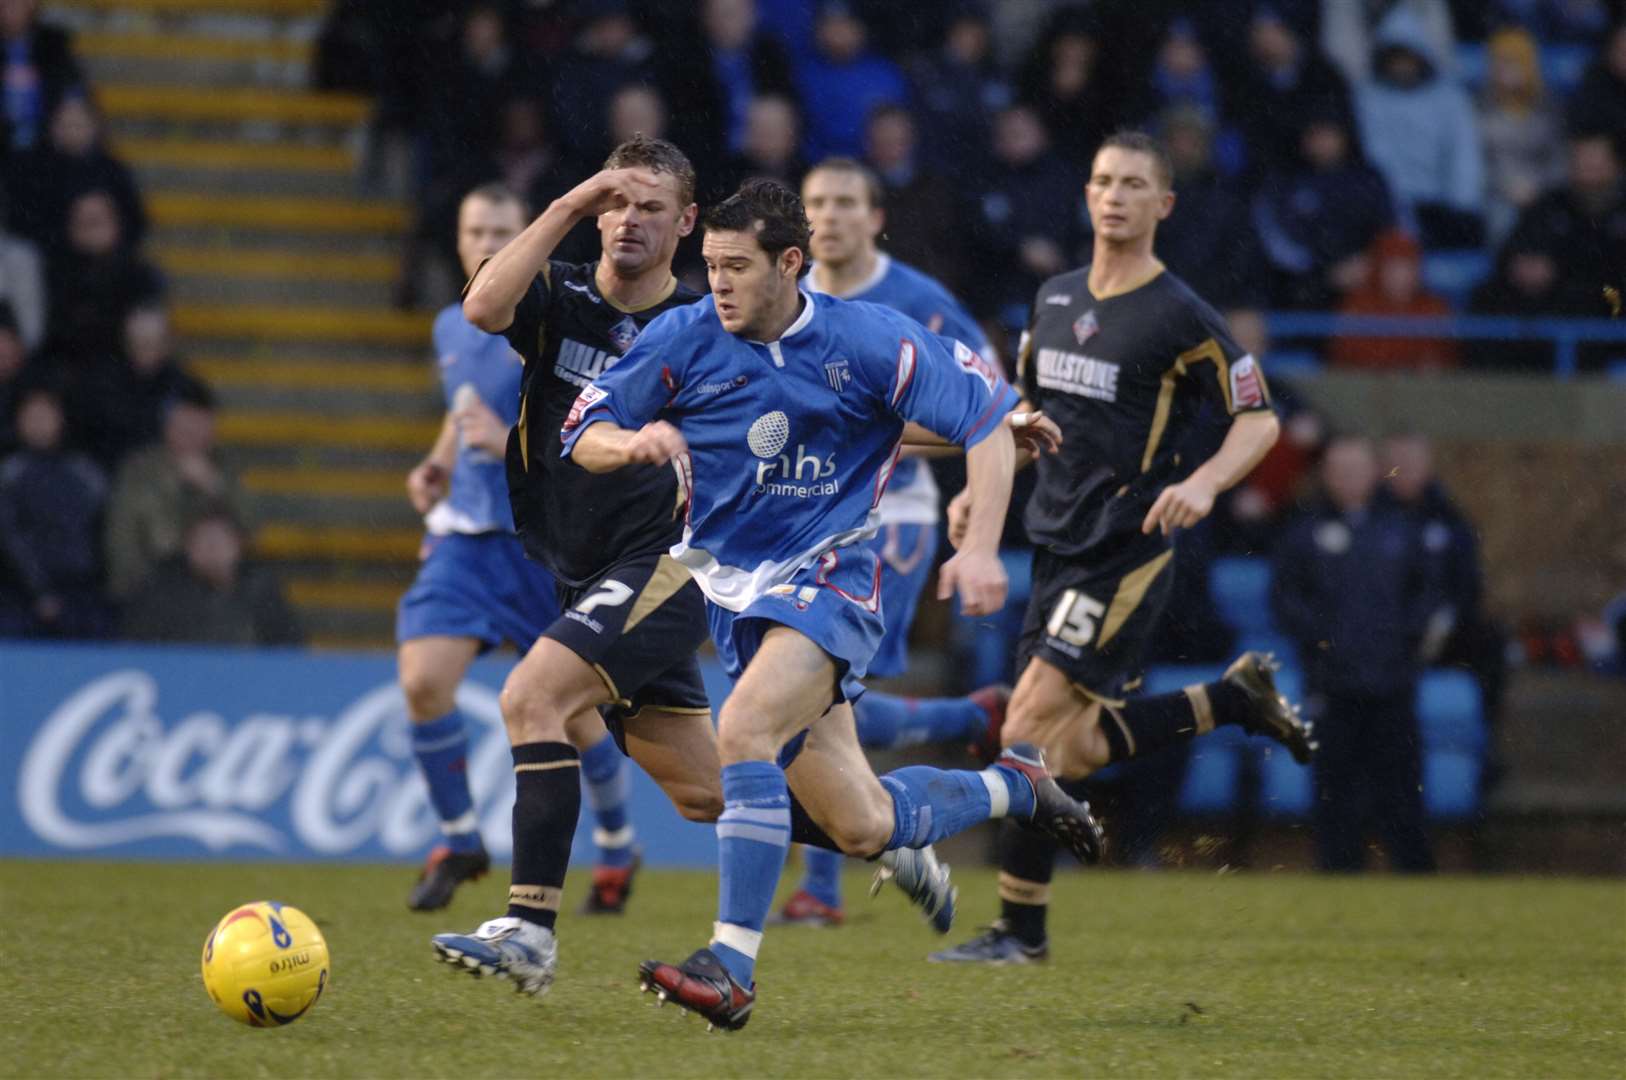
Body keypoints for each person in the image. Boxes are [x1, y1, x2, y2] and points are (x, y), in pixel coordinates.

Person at [562, 177, 1101, 1031]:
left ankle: (731, 966)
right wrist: (629, 440)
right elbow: (581, 426)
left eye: (737, 267)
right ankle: (1017, 786)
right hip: (733, 598)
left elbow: (988, 425)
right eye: (711, 266)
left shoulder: (875, 338)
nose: (720, 284)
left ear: (791, 264)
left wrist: (982, 546)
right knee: (862, 824)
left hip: (834, 578)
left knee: (741, 731)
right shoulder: (684, 337)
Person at [429, 140, 959, 999]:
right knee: (704, 793)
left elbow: (836, 403)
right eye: (615, 203)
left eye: (649, 207)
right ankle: (882, 834)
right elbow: (482, 307)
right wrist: (570, 200)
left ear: (686, 224)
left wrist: (977, 427)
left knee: (534, 697)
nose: (626, 221)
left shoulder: (708, 323)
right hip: (579, 565)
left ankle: (528, 930)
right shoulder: (559, 296)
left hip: (671, 565)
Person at [931, 132, 1313, 966]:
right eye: (1102, 180)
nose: (1113, 195)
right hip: (1055, 546)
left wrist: (1207, 483)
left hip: (1125, 549)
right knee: (1072, 747)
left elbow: (1261, 416)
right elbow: (1027, 416)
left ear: (1162, 205)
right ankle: (1231, 702)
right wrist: (977, 490)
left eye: (1133, 184)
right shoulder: (1055, 298)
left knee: (1024, 724)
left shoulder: (1181, 314)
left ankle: (1018, 937)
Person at [771, 157, 1012, 926]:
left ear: (876, 218)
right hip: (800, 513)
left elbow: (991, 394)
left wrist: (978, 487)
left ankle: (821, 888)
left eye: (847, 202)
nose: (831, 216)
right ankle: (969, 722)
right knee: (820, 699)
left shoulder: (917, 301)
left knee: (820, 691)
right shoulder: (783, 293)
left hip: (895, 515)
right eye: (817, 203)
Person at [395, 183, 580, 913]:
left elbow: (576, 429)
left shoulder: (551, 318)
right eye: (474, 229)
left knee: (582, 717)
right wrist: (437, 464)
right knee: (421, 682)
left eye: (502, 229)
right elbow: (461, 414)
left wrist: (503, 441)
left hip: (537, 539)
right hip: (465, 537)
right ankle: (460, 837)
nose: (486, 242)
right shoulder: (451, 325)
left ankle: (621, 846)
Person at [1273, 434, 1439, 873]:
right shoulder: (1305, 531)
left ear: (1373, 473)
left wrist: (1402, 638)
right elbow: (1286, 597)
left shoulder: (1401, 529)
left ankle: (1414, 873)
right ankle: (1337, 871)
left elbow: (1425, 595)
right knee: (1333, 784)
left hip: (1392, 682)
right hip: (1331, 682)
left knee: (1401, 783)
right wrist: (1322, 639)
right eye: (1338, 470)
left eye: (1356, 469)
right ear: (1325, 475)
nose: (1347, 478)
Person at [1351, 6, 1485, 246]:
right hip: (1384, 206)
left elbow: (1462, 155)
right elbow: (1367, 154)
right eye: (1396, 58)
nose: (1402, 65)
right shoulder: (1367, 99)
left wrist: (1460, 203)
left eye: (1408, 58)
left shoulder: (1449, 98)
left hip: (1438, 204)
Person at [103, 379, 242, 601]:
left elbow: (250, 528)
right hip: (152, 587)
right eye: (183, 423)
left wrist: (215, 487)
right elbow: (122, 540)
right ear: (167, 423)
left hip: (216, 589)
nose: (191, 432)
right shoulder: (139, 470)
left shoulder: (224, 466)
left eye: (199, 423)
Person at [0, 382, 111, 639]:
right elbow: (10, 538)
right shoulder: (10, 473)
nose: (39, 423)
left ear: (60, 419)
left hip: (82, 592)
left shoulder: (85, 471)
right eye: (31, 416)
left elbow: (102, 532)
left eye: (46, 415)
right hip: (20, 595)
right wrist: (39, 593)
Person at [121, 508, 301, 646]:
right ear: (187, 547)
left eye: (219, 540)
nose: (212, 548)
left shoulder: (260, 590)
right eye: (202, 539)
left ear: (238, 545)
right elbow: (137, 649)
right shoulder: (161, 591)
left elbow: (287, 648)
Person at [1329, 228, 1459, 371]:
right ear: (1379, 268)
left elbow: (1445, 360)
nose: (1400, 275)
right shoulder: (1357, 306)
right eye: (1393, 267)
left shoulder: (1434, 308)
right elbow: (1344, 360)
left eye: (1407, 266)